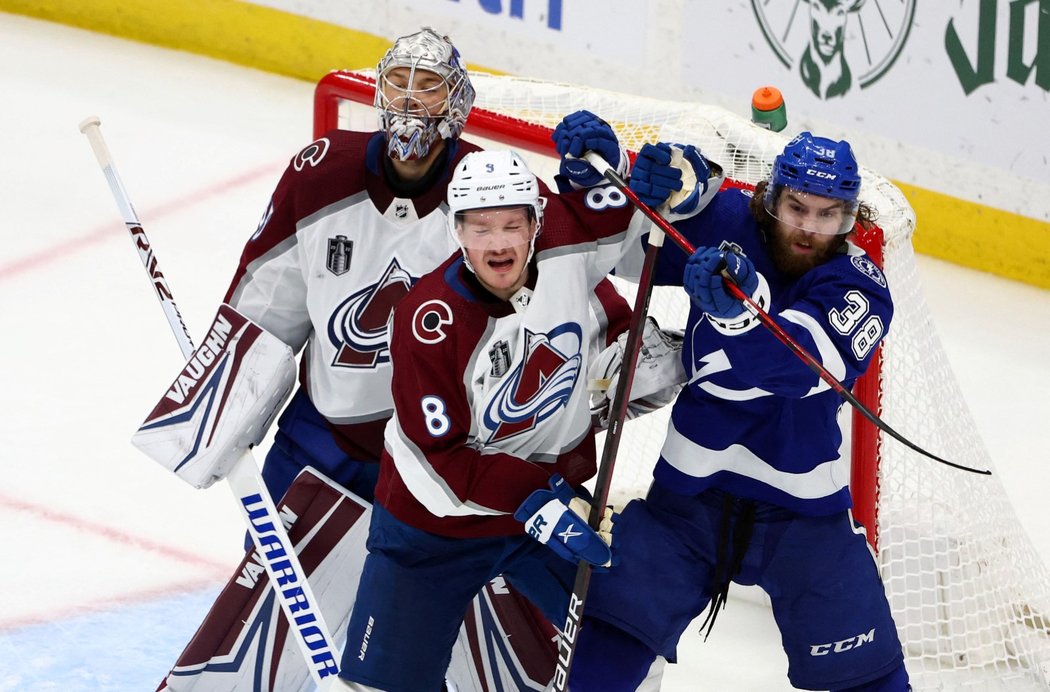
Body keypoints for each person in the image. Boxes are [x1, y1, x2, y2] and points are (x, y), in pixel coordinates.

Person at [567, 132, 909, 691]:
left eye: (828, 215)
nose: (807, 226)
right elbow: (625, 244)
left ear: (850, 219)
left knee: (870, 677)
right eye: (797, 207)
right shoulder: (733, 221)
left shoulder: (860, 287)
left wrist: (739, 317)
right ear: (771, 198)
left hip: (802, 515)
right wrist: (603, 176)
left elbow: (799, 367)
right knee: (607, 639)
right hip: (687, 500)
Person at [330, 148, 648, 691]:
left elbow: (638, 226)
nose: (498, 243)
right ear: (456, 230)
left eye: (511, 225)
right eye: (480, 228)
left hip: (540, 509)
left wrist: (640, 167)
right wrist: (544, 495)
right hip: (431, 529)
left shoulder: (567, 259)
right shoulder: (429, 319)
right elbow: (442, 460)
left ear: (536, 223)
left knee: (633, 630)